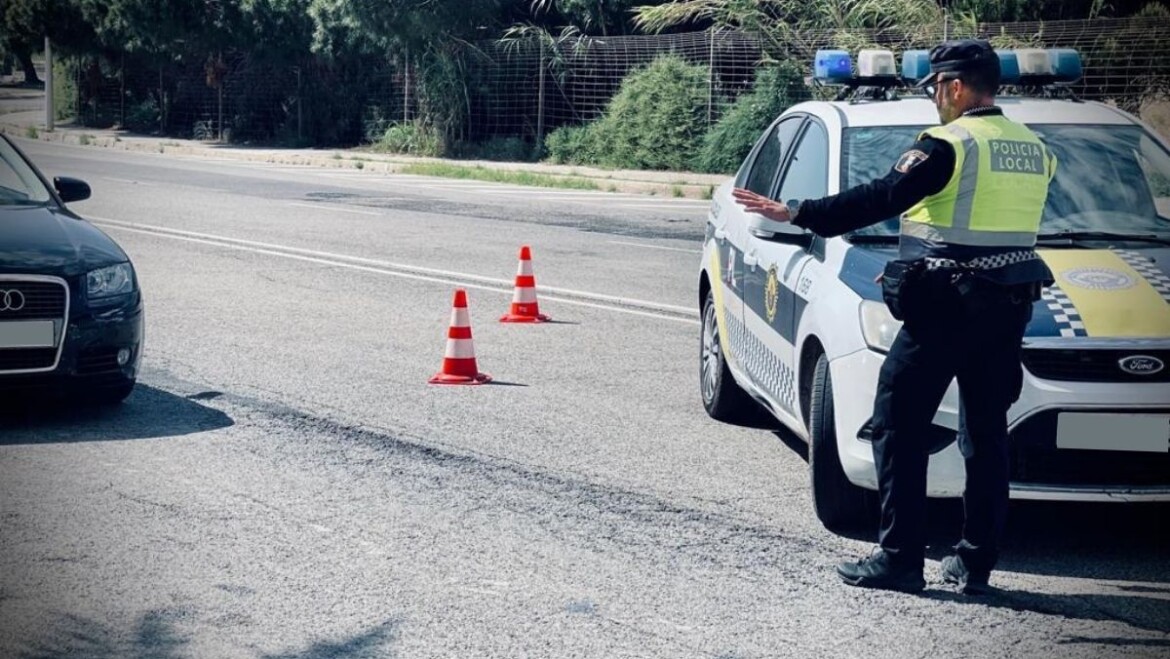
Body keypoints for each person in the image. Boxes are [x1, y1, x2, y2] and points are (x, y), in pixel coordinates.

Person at [732, 38, 1056, 595]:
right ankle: (975, 564)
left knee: (897, 427)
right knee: (986, 437)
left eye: (935, 88)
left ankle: (900, 559)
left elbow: (884, 196)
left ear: (955, 87)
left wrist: (800, 212)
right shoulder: (1033, 147)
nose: (935, 99)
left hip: (947, 310)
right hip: (1007, 309)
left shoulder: (950, 144)